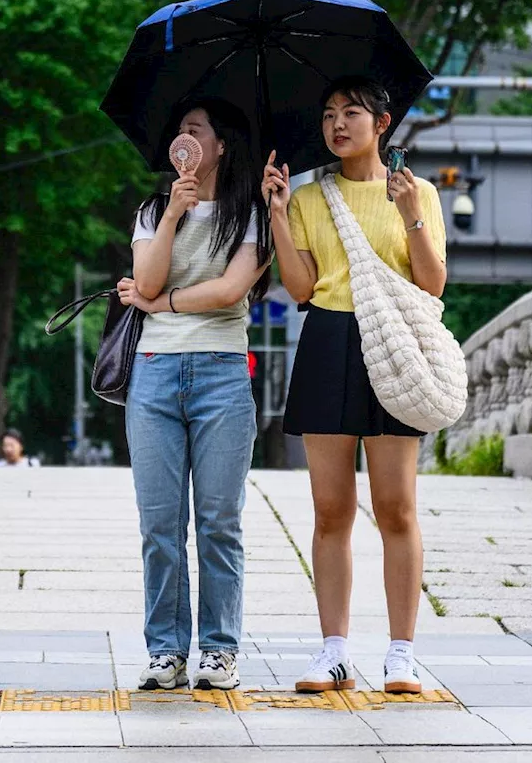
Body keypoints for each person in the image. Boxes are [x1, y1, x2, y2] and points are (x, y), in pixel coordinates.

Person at [261, 76, 448, 695]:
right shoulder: (313, 196)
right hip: (328, 343)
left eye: (351, 113)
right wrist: (280, 217)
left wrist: (411, 216)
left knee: (396, 508)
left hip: (391, 344)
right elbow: (299, 288)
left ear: (382, 124)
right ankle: (333, 650)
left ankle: (401, 654)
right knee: (330, 509)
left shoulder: (416, 193)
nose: (337, 124)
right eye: (328, 114)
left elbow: (432, 284)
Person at [116, 98, 271, 692]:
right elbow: (146, 278)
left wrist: (162, 305)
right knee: (159, 522)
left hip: (221, 373)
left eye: (196, 130)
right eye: (179, 130)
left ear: (220, 146)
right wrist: (174, 216)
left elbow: (232, 291)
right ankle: (165, 650)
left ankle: (219, 649)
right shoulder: (154, 209)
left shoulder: (248, 213)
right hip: (154, 373)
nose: (184, 138)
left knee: (218, 520)